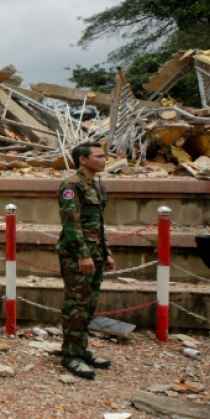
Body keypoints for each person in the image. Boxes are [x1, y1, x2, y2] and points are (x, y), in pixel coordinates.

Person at [57, 142, 115, 379]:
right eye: (99, 156)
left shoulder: (96, 185)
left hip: (96, 253)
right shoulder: (71, 185)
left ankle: (81, 349)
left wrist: (106, 252)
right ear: (83, 159)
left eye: (104, 156)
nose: (104, 160)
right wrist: (83, 254)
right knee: (76, 306)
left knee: (89, 305)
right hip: (78, 256)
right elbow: (71, 223)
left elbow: (98, 224)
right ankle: (71, 355)